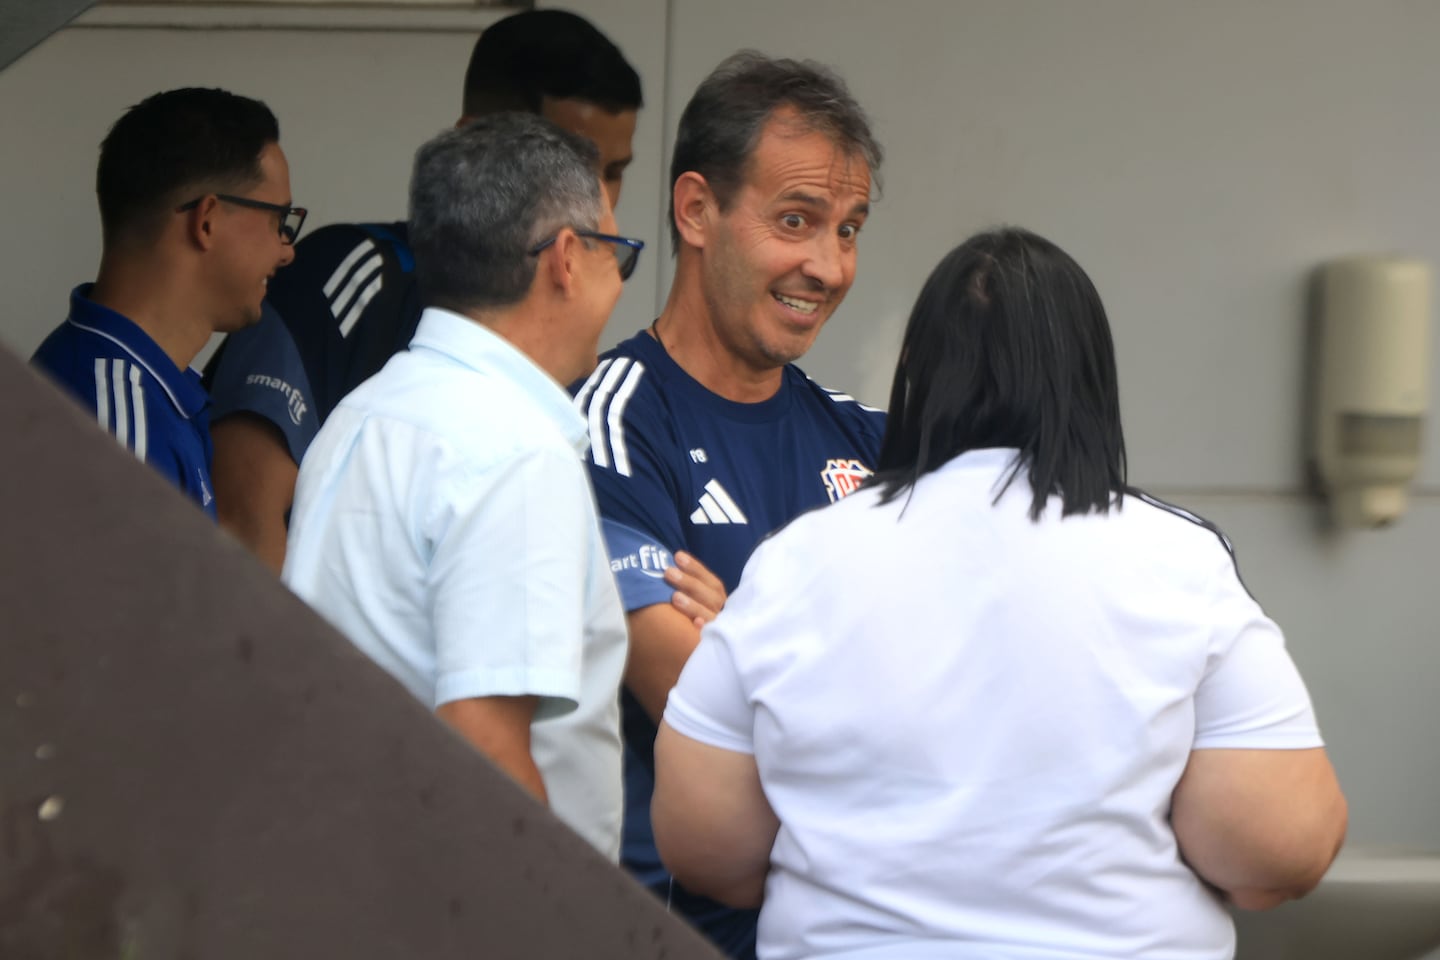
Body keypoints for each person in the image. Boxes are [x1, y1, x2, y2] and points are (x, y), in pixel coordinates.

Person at [651, 228, 1349, 960]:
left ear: (916, 374)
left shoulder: (795, 560)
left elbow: (706, 851)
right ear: (1091, 380)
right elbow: (1280, 851)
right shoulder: (1180, 557)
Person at [572, 51, 885, 958]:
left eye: (851, 229)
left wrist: (744, 632)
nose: (828, 266)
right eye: (797, 221)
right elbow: (690, 701)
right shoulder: (612, 420)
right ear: (696, 210)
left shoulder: (880, 445)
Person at [282, 114, 641, 858]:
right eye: (620, 254)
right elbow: (488, 755)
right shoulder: (512, 450)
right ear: (567, 260)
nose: (620, 283)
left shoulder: (365, 413)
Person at [204, 8, 644, 571]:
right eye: (569, 166)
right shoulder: (349, 275)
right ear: (471, 148)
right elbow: (243, 522)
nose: (600, 204)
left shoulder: (573, 340)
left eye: (615, 170)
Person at [31, 87, 301, 519]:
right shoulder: (119, 422)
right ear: (207, 220)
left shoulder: (137, 387)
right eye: (278, 220)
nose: (285, 250)